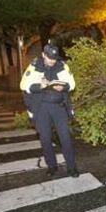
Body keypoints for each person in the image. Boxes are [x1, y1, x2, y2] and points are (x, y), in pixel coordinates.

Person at [20, 44, 79, 177]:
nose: (52, 61)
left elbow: (72, 83)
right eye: (49, 58)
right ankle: (52, 166)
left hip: (59, 107)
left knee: (65, 138)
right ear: (43, 55)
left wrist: (63, 87)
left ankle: (72, 167)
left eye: (54, 58)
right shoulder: (35, 66)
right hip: (41, 108)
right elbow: (24, 85)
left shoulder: (61, 65)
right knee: (45, 138)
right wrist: (39, 86)